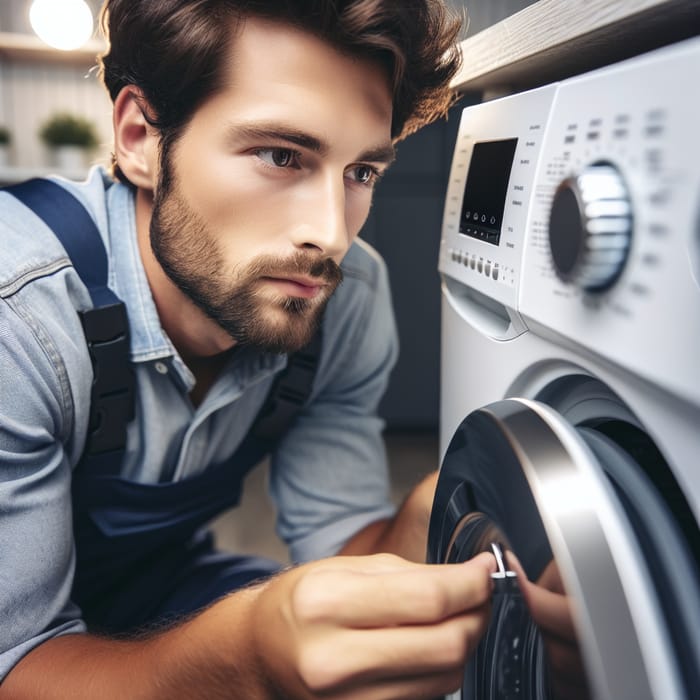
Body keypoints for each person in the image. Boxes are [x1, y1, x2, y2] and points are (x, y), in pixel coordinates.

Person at [0, 1, 497, 697]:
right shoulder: (18, 317)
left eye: (361, 173)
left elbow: (339, 544)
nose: (331, 236)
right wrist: (245, 658)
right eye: (280, 156)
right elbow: (16, 662)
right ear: (140, 138)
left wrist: (428, 524)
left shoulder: (343, 302)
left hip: (155, 594)